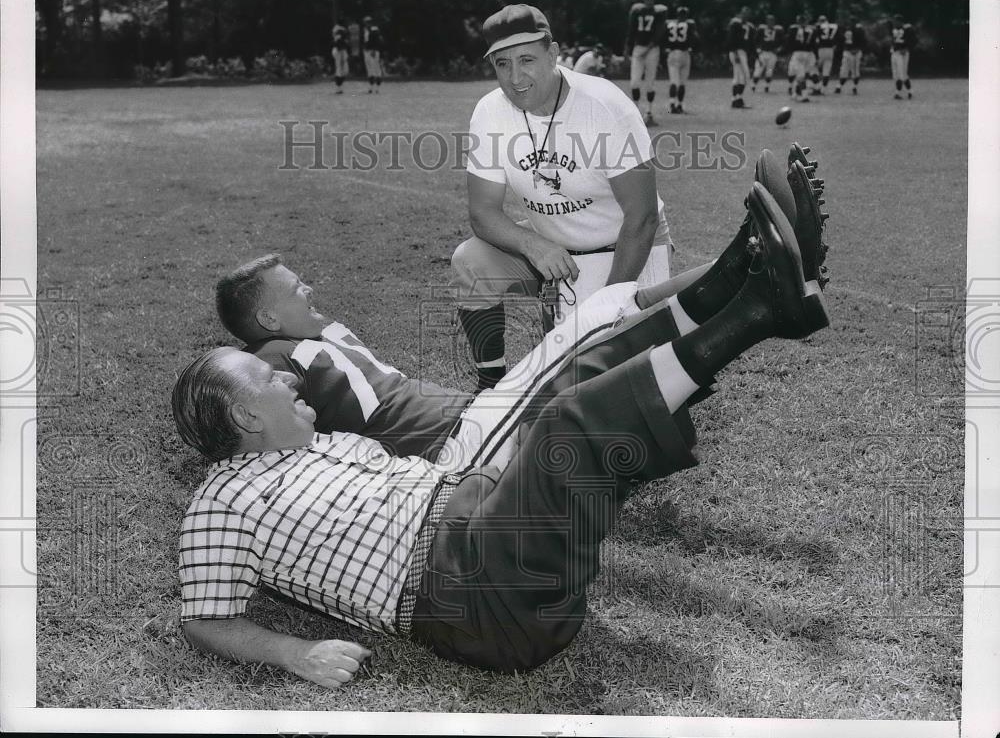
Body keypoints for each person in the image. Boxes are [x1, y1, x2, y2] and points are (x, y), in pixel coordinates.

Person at [172, 178, 832, 685]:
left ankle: (759, 285)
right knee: (571, 411)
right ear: (245, 416)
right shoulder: (225, 498)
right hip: (468, 589)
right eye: (271, 386)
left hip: (477, 514)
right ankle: (758, 302)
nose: (284, 383)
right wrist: (296, 651)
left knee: (590, 357)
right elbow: (200, 615)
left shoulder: (323, 446)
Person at [214, 147, 828, 475]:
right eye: (295, 291)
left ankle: (756, 262)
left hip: (475, 419)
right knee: (595, 336)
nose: (310, 290)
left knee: (599, 324)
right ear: (266, 325)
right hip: (457, 449)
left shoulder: (308, 338)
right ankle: (758, 271)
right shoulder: (275, 358)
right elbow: (252, 423)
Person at [451, 3, 675, 392]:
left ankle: (590, 325)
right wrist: (533, 245)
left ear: (553, 54)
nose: (515, 77)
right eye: (502, 64)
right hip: (554, 250)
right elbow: (483, 213)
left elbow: (642, 218)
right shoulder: (489, 112)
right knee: (470, 261)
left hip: (626, 246)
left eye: (526, 59)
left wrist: (605, 308)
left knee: (602, 384)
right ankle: (489, 387)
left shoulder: (604, 106)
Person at [624, 0, 669, 124]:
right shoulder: (637, 10)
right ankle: (636, 112)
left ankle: (649, 113)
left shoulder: (659, 11)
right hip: (638, 48)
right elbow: (631, 31)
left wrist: (649, 46)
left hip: (652, 49)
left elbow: (659, 32)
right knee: (635, 82)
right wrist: (627, 49)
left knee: (650, 83)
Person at [664, 5, 697, 113]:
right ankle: (679, 105)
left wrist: (666, 47)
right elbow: (694, 37)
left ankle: (672, 103)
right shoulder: (690, 24)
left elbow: (663, 37)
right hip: (684, 52)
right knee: (682, 82)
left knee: (674, 81)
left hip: (673, 53)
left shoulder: (669, 23)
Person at [726, 7, 754, 108]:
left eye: (748, 14)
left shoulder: (749, 26)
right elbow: (730, 39)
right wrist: (735, 53)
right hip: (737, 52)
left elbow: (750, 43)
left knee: (740, 78)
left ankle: (737, 99)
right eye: (744, 13)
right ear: (741, 13)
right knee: (740, 77)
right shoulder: (735, 24)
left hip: (743, 53)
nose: (746, 16)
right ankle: (736, 99)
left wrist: (751, 55)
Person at [785, 14, 816, 103]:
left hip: (800, 54)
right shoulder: (811, 29)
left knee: (800, 75)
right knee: (798, 75)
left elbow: (789, 41)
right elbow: (814, 43)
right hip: (807, 54)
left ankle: (804, 96)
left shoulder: (794, 28)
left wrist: (788, 51)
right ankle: (795, 93)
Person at [751, 14, 782, 94]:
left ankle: (767, 86)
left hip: (772, 53)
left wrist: (778, 49)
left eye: (772, 20)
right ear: (766, 21)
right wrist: (758, 49)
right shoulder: (761, 29)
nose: (771, 22)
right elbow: (756, 40)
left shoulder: (778, 30)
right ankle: (753, 86)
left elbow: (783, 42)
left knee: (769, 71)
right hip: (763, 52)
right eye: (769, 20)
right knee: (758, 70)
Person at [889, 14, 916, 100]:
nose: (894, 22)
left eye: (896, 21)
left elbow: (914, 40)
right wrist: (892, 47)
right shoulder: (894, 29)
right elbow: (894, 40)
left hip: (902, 53)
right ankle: (909, 91)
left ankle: (898, 93)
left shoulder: (907, 29)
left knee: (902, 74)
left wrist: (907, 48)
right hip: (895, 52)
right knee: (896, 74)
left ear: (900, 21)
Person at [836, 20, 867, 94]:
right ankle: (839, 86)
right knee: (844, 70)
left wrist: (858, 48)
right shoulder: (845, 30)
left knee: (855, 71)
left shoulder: (858, 31)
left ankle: (854, 87)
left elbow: (863, 41)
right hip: (848, 51)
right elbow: (841, 41)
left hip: (854, 52)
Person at [813, 15, 839, 94]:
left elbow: (815, 40)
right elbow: (839, 38)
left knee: (813, 68)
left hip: (821, 49)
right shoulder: (834, 26)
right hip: (830, 50)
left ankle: (817, 86)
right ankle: (823, 89)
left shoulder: (818, 27)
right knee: (826, 70)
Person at [362, 16, 384, 94]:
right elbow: (365, 41)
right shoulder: (365, 29)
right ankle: (371, 87)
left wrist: (374, 49)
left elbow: (377, 40)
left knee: (376, 69)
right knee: (369, 69)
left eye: (368, 22)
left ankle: (377, 88)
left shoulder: (374, 29)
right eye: (365, 22)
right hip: (367, 51)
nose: (366, 23)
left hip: (373, 50)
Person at [330, 21, 350, 94]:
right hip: (339, 50)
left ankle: (339, 87)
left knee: (343, 70)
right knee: (340, 70)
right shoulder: (339, 30)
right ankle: (338, 88)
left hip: (340, 50)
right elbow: (338, 42)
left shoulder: (338, 29)